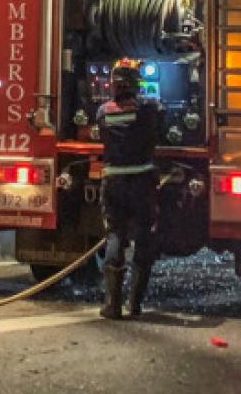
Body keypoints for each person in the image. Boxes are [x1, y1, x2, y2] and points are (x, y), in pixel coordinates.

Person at [96, 58, 161, 319]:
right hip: (140, 183)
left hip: (113, 182)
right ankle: (135, 304)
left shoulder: (103, 112)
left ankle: (112, 305)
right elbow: (157, 130)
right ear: (136, 85)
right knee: (143, 237)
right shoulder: (147, 109)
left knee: (114, 236)